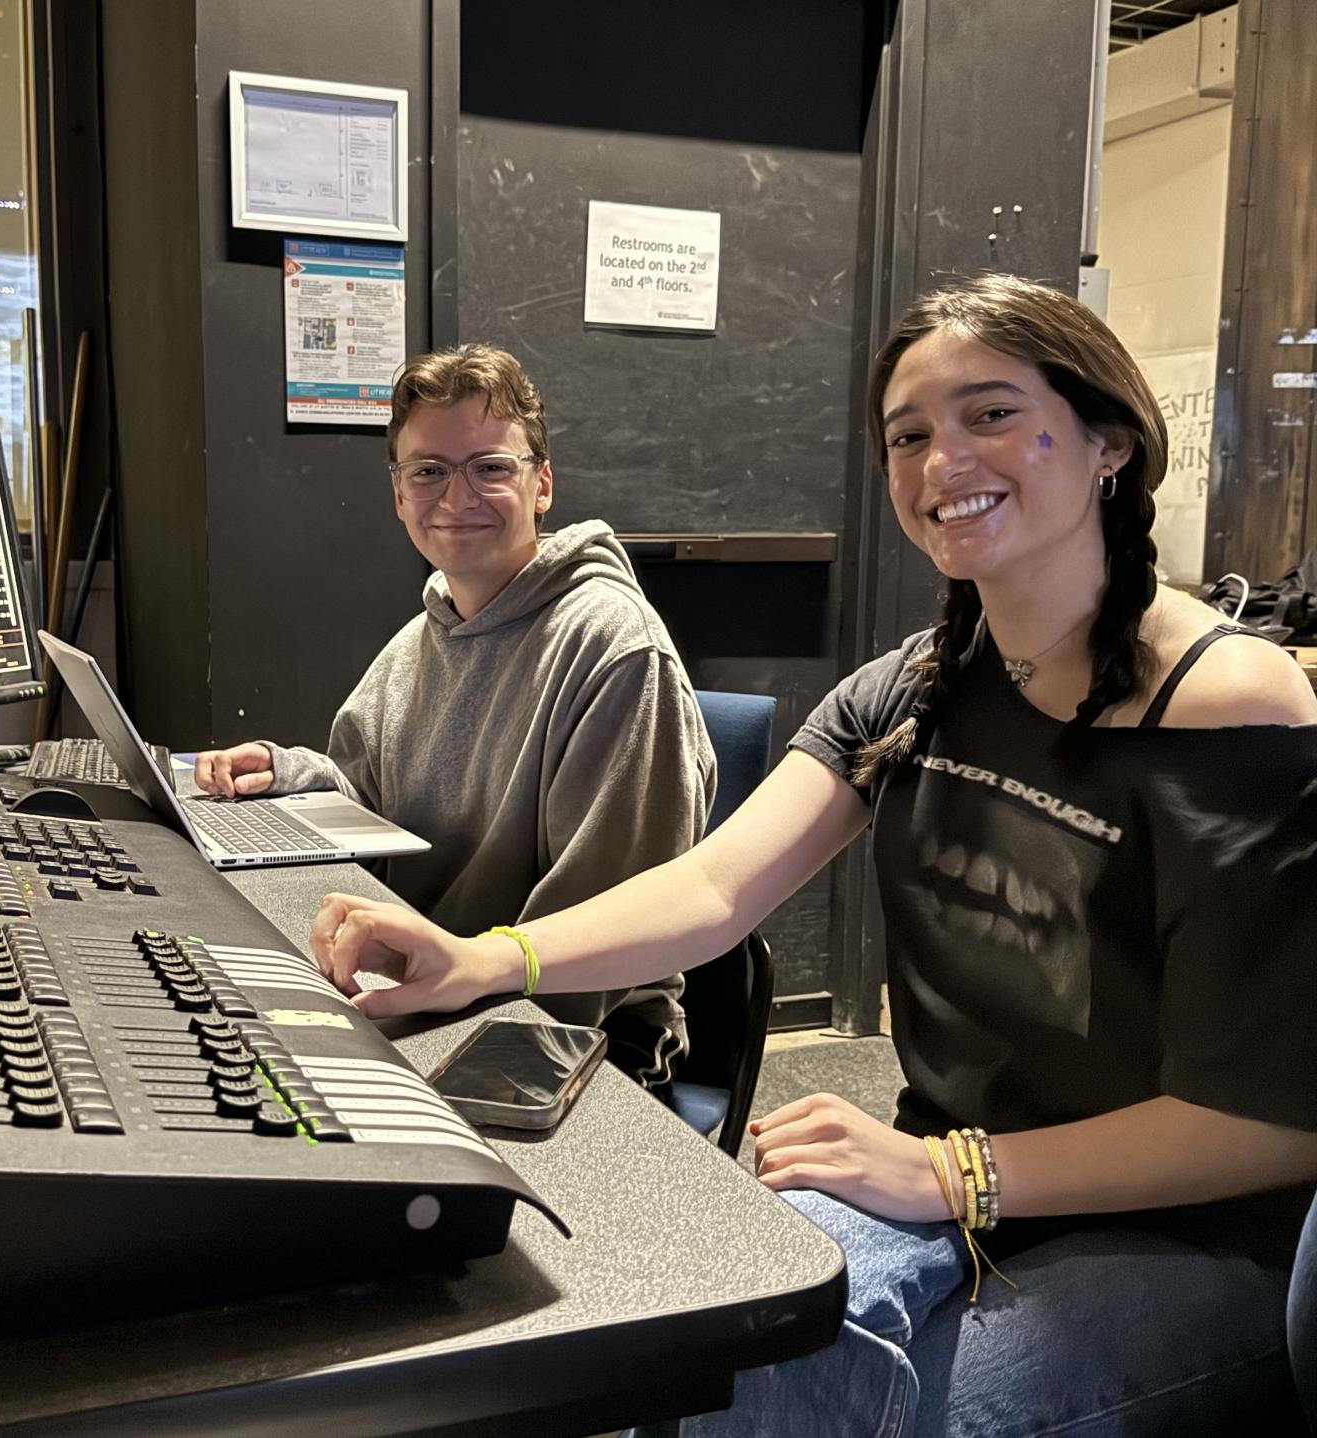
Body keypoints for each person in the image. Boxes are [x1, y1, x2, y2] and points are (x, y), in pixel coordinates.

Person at [309, 277, 1317, 1434]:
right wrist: (483, 960)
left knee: (827, 1398)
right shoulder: (909, 688)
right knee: (731, 1345)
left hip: (1194, 1231)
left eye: (988, 414)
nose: (942, 460)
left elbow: (1271, 1122)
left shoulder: (1227, 700)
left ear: (1106, 442)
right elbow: (712, 887)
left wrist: (952, 1174)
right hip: (961, 1183)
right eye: (908, 434)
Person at [196, 343, 715, 1092]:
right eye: (429, 471)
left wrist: (430, 1004)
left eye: (490, 468)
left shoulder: (613, 649)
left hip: (576, 1028)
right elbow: (374, 799)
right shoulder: (425, 634)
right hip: (437, 977)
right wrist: (290, 772)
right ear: (399, 494)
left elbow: (607, 925)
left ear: (542, 485)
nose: (455, 496)